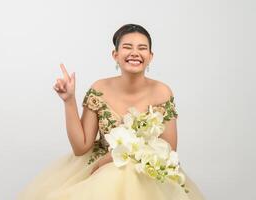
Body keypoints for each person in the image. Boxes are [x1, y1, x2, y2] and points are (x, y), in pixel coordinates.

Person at [17, 24, 205, 200]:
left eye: (142, 48)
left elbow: (169, 148)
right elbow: (81, 147)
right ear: (115, 55)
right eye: (127, 47)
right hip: (99, 171)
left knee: (122, 172)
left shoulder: (162, 92)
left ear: (150, 56)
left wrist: (110, 158)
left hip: (144, 170)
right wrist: (69, 100)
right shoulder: (100, 89)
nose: (134, 53)